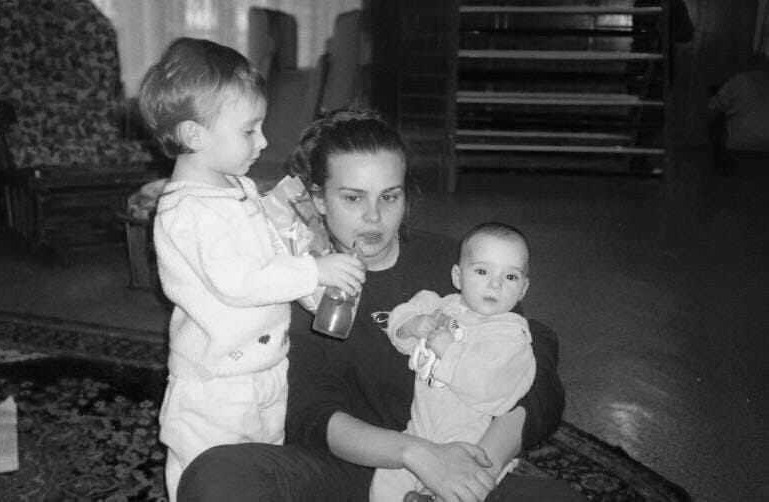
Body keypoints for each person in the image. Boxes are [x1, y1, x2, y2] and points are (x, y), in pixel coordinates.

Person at [177, 109, 585, 502]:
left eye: (389, 196)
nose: (373, 217)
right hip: (352, 470)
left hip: (468, 456)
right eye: (353, 198)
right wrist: (416, 454)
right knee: (217, 476)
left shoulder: (455, 265)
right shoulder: (299, 283)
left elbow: (536, 369)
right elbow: (310, 413)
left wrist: (474, 471)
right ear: (318, 199)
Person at [138, 38, 366, 501]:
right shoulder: (186, 212)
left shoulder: (237, 187)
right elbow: (238, 281)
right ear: (195, 136)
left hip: (265, 368)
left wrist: (304, 269)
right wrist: (312, 272)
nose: (263, 142)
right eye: (249, 130)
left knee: (262, 463)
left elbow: (265, 257)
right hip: (215, 385)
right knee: (204, 470)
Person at [370, 222, 537, 502]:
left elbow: (491, 390)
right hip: (419, 430)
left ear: (523, 289)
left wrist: (450, 351)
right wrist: (413, 324)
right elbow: (401, 320)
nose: (495, 284)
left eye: (510, 277)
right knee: (386, 481)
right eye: (482, 271)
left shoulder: (511, 336)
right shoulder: (441, 306)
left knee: (460, 494)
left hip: (470, 442)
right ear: (458, 277)